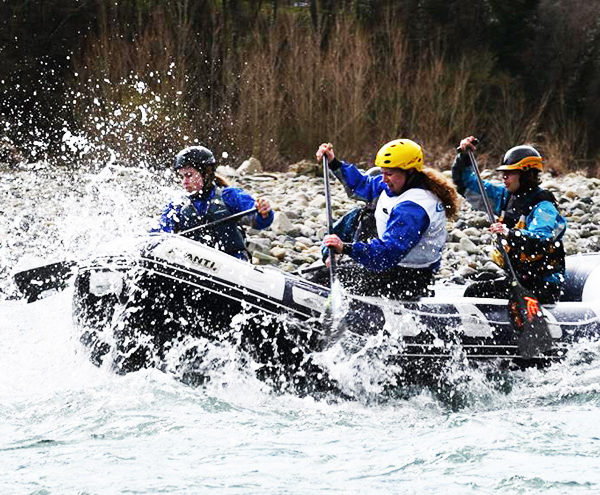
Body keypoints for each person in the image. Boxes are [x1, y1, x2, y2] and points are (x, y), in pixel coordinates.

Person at [313, 139, 460, 300]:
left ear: (409, 171)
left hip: (409, 277)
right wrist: (334, 163)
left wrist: (346, 248)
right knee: (363, 216)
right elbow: (362, 184)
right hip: (393, 266)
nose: (384, 179)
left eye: (389, 174)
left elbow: (387, 255)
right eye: (383, 172)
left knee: (325, 279)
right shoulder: (396, 183)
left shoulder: (413, 209)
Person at [452, 136, 567, 303]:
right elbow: (465, 183)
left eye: (510, 173)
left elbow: (542, 239)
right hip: (519, 279)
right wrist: (463, 156)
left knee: (490, 295)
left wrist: (509, 233)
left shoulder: (543, 205)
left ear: (526, 174)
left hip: (543, 285)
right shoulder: (504, 197)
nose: (504, 177)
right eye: (504, 173)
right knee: (474, 291)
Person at [153, 146, 273, 260]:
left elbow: (257, 220)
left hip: (231, 262)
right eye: (182, 176)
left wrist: (263, 212)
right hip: (193, 264)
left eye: (189, 175)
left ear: (206, 174)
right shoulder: (177, 206)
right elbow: (160, 233)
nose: (184, 181)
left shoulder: (229, 195)